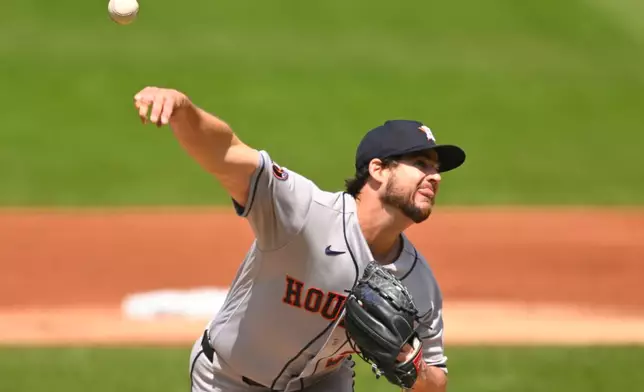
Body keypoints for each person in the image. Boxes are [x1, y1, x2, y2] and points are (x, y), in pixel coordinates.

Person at [133, 87, 466, 392]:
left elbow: (435, 380)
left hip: (323, 384)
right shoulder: (306, 212)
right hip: (229, 380)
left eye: (437, 169)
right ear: (378, 170)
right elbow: (228, 154)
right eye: (420, 164)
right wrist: (184, 110)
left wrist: (414, 364)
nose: (434, 177)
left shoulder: (418, 281)